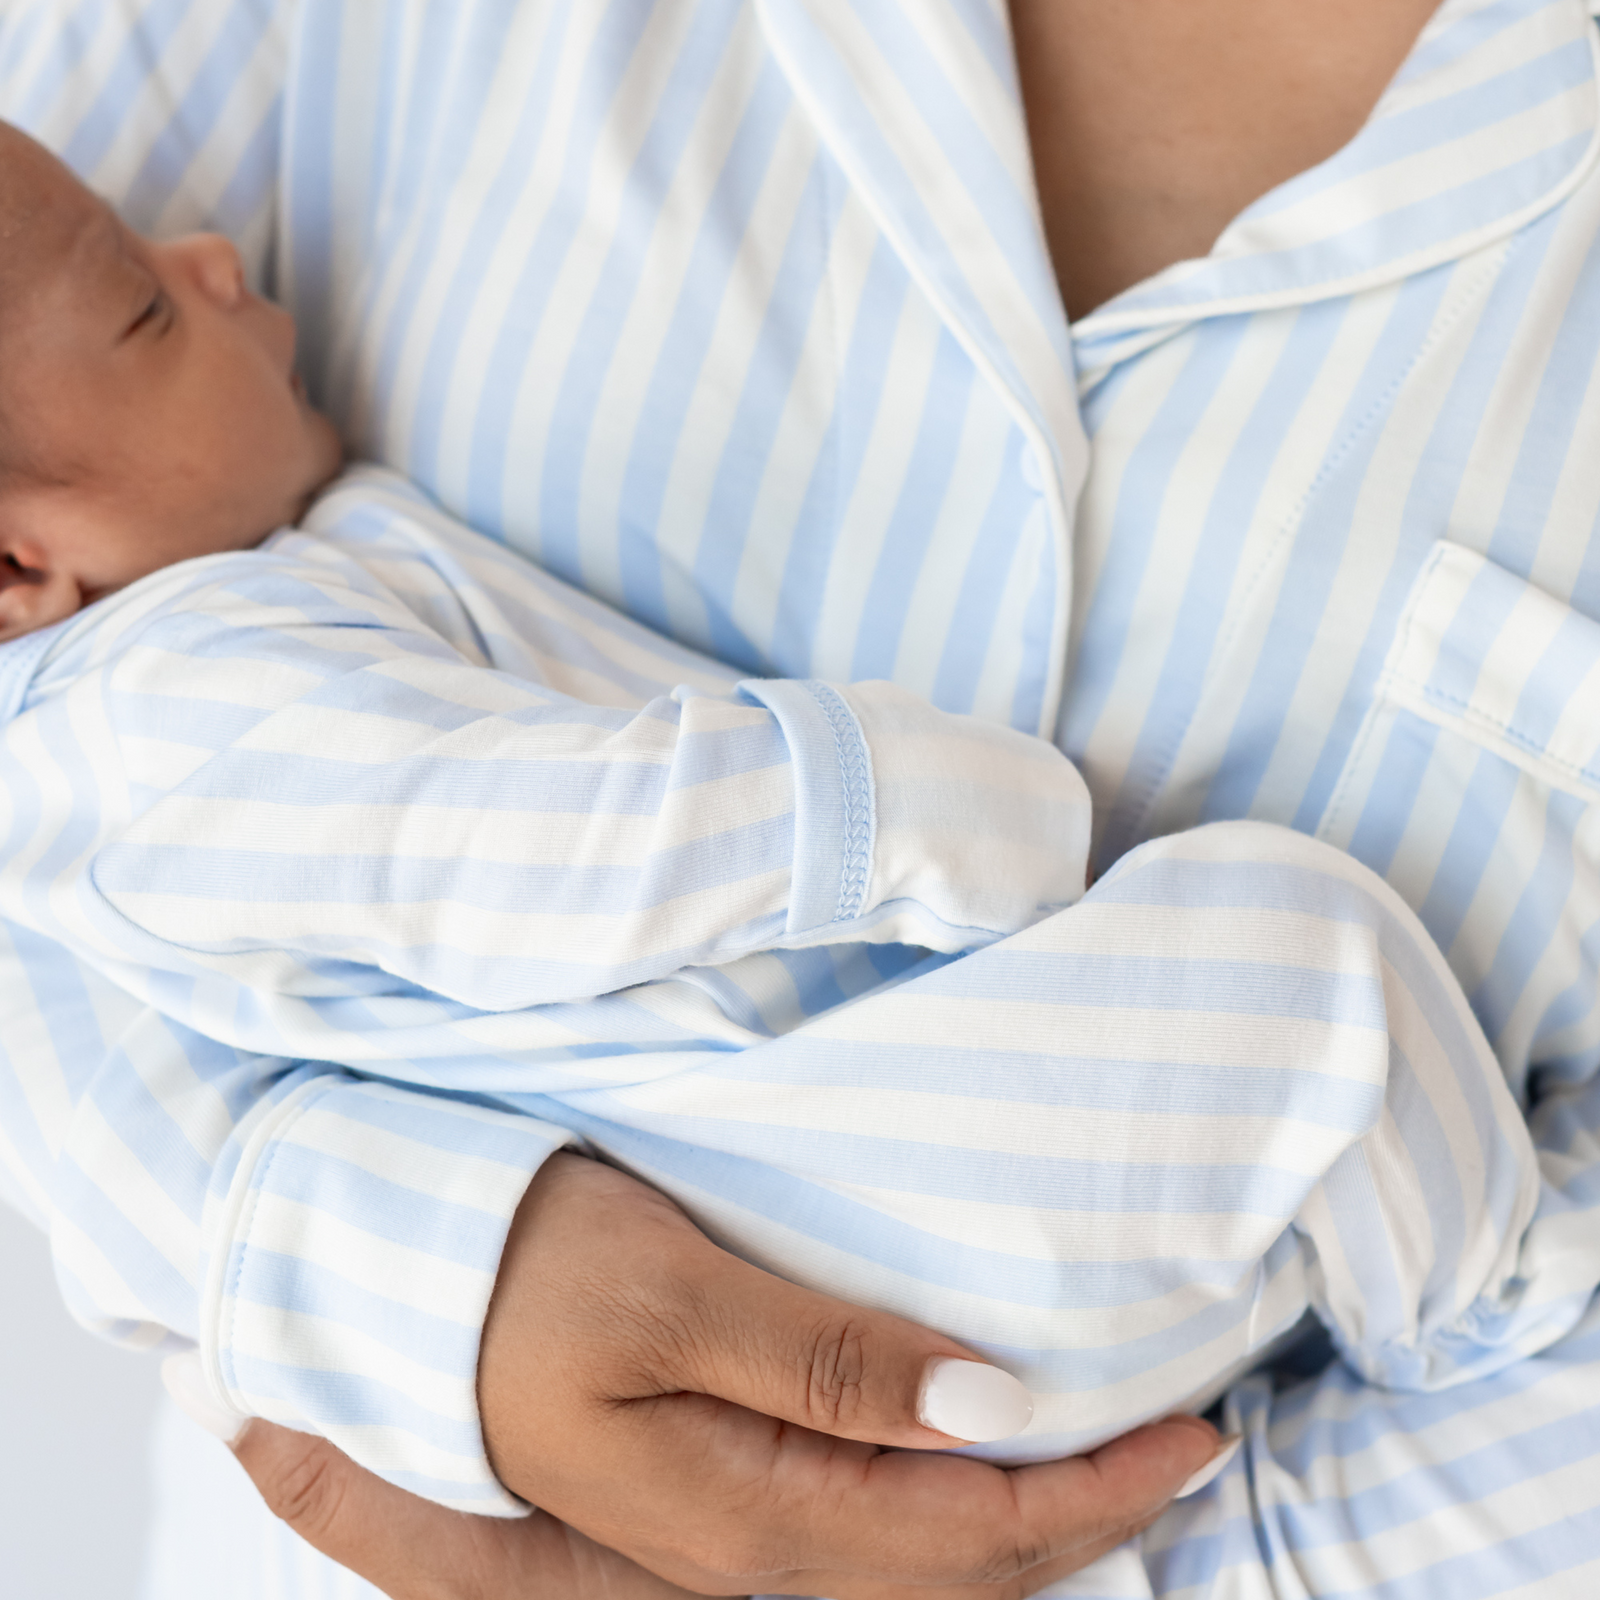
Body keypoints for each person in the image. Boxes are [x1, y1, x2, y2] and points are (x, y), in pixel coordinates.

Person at [3, 0, 1599, 1595]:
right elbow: (559, 844)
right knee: (1312, 984)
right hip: (808, 1225)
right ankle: (1482, 1282)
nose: (208, 257)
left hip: (1093, 1356)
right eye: (150, 308)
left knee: (1311, 986)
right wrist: (417, 1289)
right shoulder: (162, 709)